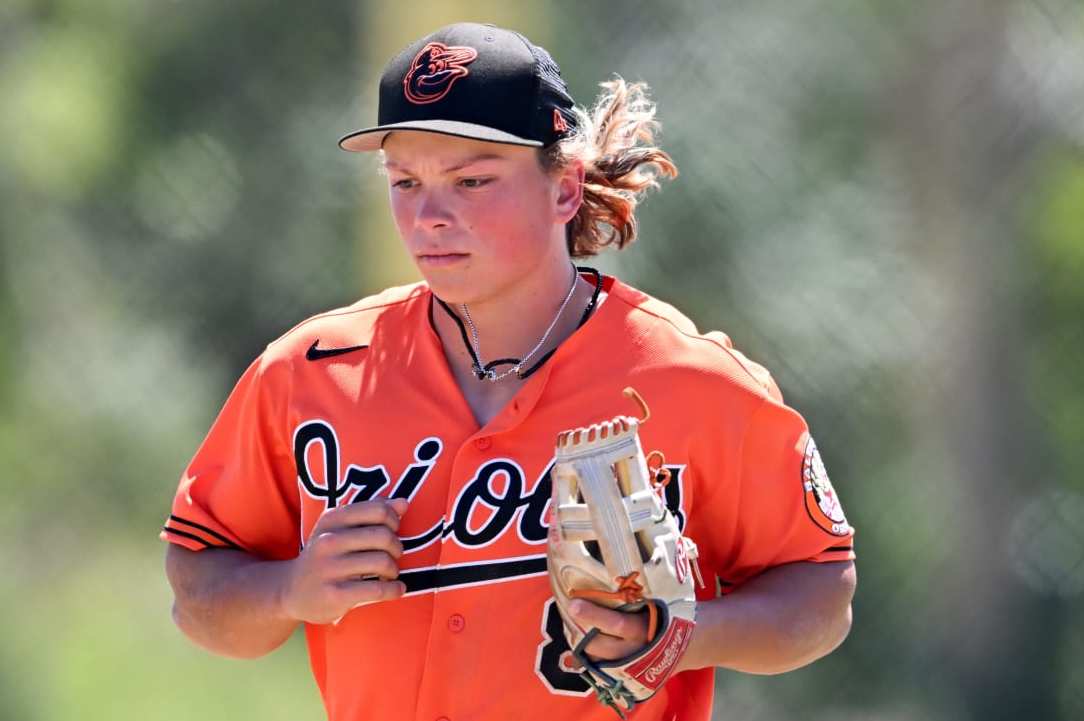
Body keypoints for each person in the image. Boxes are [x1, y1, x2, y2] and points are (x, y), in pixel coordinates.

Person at [162, 21, 856, 721]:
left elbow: (822, 591)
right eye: (405, 181)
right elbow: (197, 588)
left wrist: (684, 635)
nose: (430, 215)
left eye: (472, 180)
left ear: (564, 189)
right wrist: (288, 588)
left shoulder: (688, 377)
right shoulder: (309, 374)